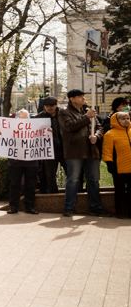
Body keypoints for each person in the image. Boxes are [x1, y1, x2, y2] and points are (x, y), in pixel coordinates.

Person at [58, 89, 106, 218]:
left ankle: (95, 207)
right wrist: (86, 117)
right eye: (80, 96)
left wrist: (96, 135)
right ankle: (69, 208)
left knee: (94, 180)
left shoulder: (88, 111)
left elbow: (99, 127)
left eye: (83, 96)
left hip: (91, 151)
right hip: (75, 151)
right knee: (73, 180)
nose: (83, 99)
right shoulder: (64, 112)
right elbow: (69, 127)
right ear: (72, 99)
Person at [4, 108, 39, 215]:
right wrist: (0, 133)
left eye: (26, 118)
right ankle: (13, 207)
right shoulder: (11, 128)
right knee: (15, 184)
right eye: (22, 118)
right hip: (15, 161)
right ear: (17, 118)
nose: (24, 120)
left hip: (31, 161)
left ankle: (30, 207)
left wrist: (46, 132)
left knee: (31, 184)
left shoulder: (34, 128)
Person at [102, 110, 131, 219]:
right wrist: (109, 164)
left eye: (127, 118)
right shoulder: (110, 134)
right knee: (120, 191)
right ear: (115, 120)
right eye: (123, 119)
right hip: (119, 169)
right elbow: (107, 151)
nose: (126, 120)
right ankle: (120, 212)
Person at [36, 97, 62, 194]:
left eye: (52, 105)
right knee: (50, 175)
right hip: (49, 151)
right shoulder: (39, 117)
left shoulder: (63, 115)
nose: (49, 108)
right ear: (44, 107)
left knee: (71, 173)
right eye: (47, 106)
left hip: (64, 149)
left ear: (56, 105)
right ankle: (53, 194)